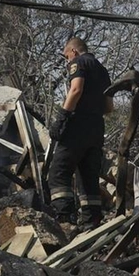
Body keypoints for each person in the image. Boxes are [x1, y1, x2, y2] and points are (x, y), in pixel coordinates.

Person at [47, 36, 111, 227]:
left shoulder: (78, 62)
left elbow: (75, 90)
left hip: (77, 126)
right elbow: (109, 106)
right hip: (96, 128)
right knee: (88, 178)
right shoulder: (102, 69)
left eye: (67, 57)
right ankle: (91, 222)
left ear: (73, 51)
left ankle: (65, 220)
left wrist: (62, 118)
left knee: (58, 173)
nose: (67, 62)